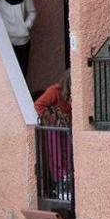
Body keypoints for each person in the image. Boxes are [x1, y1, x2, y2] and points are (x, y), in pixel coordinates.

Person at [34, 71, 72, 200]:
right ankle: (61, 183)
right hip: (55, 129)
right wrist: (52, 120)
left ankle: (67, 182)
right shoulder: (54, 91)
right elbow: (38, 105)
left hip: (67, 129)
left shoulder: (74, 95)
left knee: (68, 154)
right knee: (57, 156)